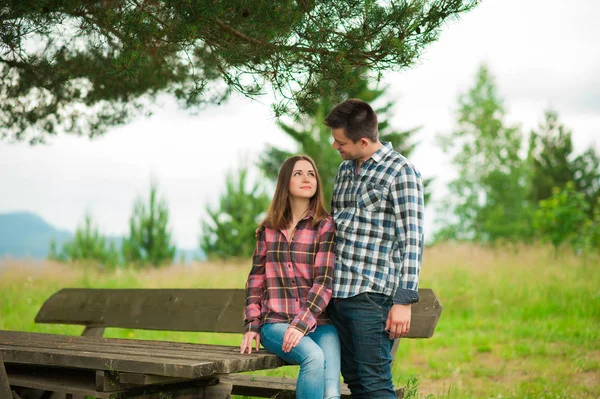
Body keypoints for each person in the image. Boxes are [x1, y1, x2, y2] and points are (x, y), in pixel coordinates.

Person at [324, 99, 425, 398]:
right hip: (337, 295)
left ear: (364, 141)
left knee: (375, 383)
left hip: (371, 297)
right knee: (355, 381)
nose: (335, 146)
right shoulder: (344, 170)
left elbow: (412, 239)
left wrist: (404, 300)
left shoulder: (401, 172)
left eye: (340, 141)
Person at [240, 155, 341, 399]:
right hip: (275, 324)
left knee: (331, 394)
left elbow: (324, 282)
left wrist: (301, 323)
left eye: (311, 173)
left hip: (318, 325)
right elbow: (256, 280)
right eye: (298, 173)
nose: (307, 178)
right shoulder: (268, 230)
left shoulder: (325, 226)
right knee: (313, 357)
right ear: (285, 182)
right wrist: (252, 325)